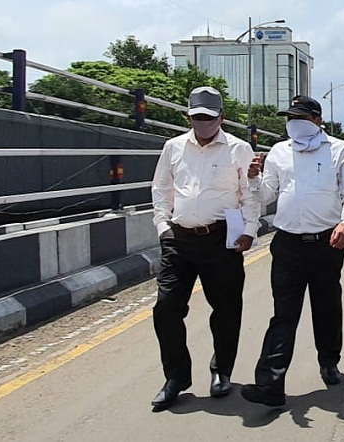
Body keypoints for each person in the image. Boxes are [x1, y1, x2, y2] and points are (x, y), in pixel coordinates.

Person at [240, 96, 344, 406]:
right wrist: (253, 179)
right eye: (289, 117)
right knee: (284, 314)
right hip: (287, 243)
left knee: (326, 305)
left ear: (317, 120)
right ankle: (270, 384)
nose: (293, 122)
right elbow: (269, 193)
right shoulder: (280, 152)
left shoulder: (339, 149)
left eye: (300, 117)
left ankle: (329, 360)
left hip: (327, 241)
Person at [149, 86, 259, 410]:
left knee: (225, 309)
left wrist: (250, 230)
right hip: (178, 239)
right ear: (188, 116)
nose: (203, 124)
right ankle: (176, 378)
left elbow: (249, 193)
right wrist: (162, 226)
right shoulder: (173, 147)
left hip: (221, 238)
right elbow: (161, 188)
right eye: (197, 118)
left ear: (221, 118)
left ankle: (221, 371)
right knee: (166, 308)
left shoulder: (239, 149)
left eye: (209, 119)